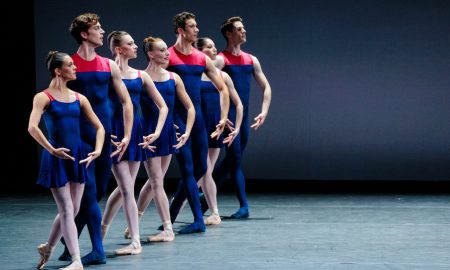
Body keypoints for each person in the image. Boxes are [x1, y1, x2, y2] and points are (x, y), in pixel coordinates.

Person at [59, 13, 133, 265]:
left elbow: (125, 101)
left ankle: (68, 241)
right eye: (97, 28)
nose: (102, 32)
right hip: (81, 139)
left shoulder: (107, 64)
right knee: (89, 193)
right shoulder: (72, 65)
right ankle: (97, 251)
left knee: (98, 191)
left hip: (106, 137)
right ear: (84, 34)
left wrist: (126, 135)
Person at [29, 51, 104, 270]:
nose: (75, 68)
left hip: (78, 155)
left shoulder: (79, 98)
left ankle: (48, 247)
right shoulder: (44, 97)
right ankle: (76, 260)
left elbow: (99, 127)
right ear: (58, 70)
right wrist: (52, 149)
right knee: (66, 209)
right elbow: (32, 127)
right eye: (71, 65)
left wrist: (98, 150)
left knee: (73, 208)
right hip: (57, 156)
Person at [100, 31, 168, 254]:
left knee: (124, 189)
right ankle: (133, 240)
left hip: (136, 131)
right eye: (130, 44)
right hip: (116, 131)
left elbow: (163, 106)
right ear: (119, 49)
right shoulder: (107, 73)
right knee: (126, 187)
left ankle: (105, 229)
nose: (136, 47)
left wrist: (157, 132)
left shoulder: (141, 75)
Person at [123, 36, 196, 242]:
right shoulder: (141, 77)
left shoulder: (173, 78)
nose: (167, 54)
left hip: (167, 133)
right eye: (162, 50)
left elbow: (190, 108)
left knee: (156, 180)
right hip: (148, 133)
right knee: (156, 181)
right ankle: (167, 228)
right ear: (150, 54)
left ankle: (135, 218)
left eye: (167, 50)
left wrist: (186, 133)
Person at [164, 11, 230, 234]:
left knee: (201, 168)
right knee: (187, 169)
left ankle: (172, 214)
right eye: (192, 26)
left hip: (198, 118)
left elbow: (222, 88)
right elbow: (156, 87)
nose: (197, 29)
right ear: (181, 30)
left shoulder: (201, 58)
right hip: (177, 119)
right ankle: (197, 220)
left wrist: (223, 116)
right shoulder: (168, 57)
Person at [207, 16, 272, 218]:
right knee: (234, 158)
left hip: (242, 116)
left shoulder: (251, 60)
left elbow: (266, 87)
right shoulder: (220, 59)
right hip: (228, 117)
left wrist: (264, 111)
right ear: (229, 33)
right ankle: (243, 206)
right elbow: (210, 86)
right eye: (239, 29)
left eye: (244, 29)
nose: (244, 32)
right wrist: (221, 113)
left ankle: (203, 195)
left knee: (234, 160)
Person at [195, 37, 243, 225]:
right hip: (198, 124)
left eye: (214, 46)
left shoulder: (222, 76)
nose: (214, 50)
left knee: (206, 170)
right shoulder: (194, 75)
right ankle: (185, 204)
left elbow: (238, 104)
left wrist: (236, 127)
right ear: (199, 51)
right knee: (202, 170)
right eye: (209, 47)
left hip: (216, 125)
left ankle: (212, 212)